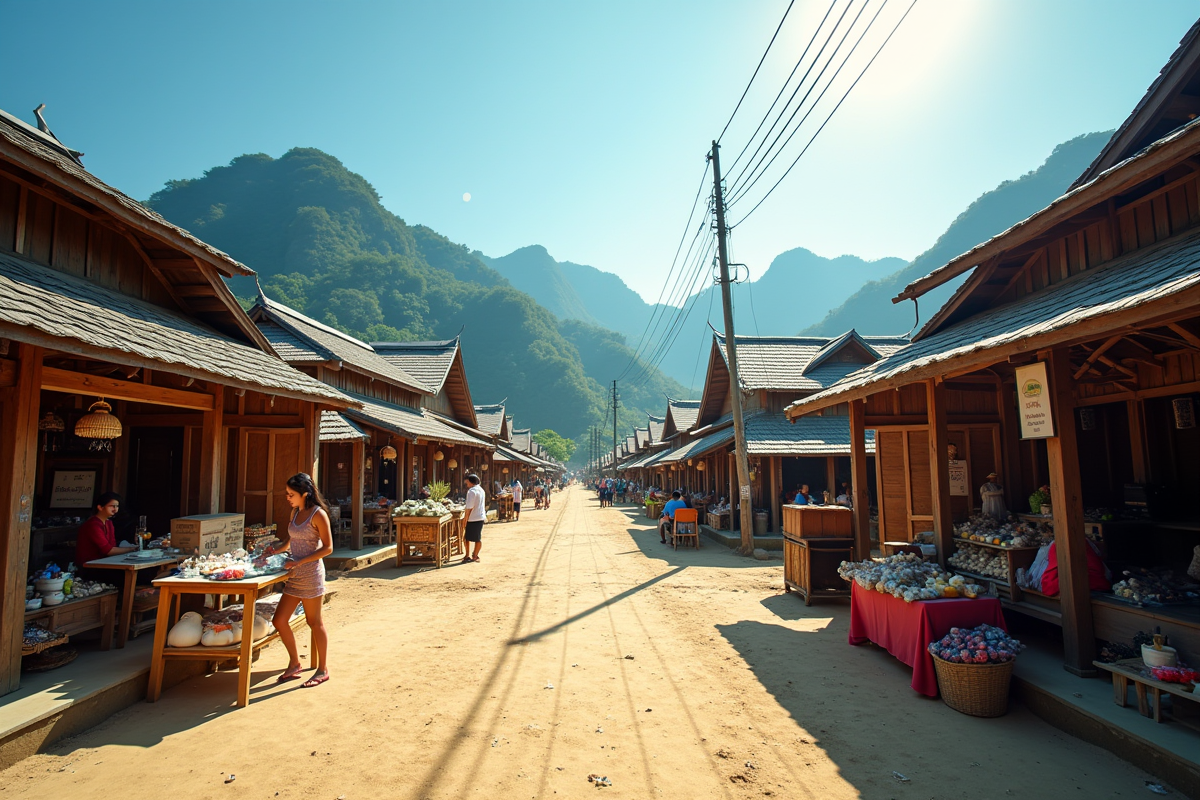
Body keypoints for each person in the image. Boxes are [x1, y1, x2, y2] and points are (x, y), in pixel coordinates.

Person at [268, 473, 334, 688]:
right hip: (295, 575)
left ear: (304, 494)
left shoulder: (318, 514)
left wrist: (300, 561)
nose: (288, 498)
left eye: (291, 494)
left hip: (312, 574)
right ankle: (295, 663)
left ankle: (323, 669)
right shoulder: (295, 511)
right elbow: (292, 538)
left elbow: (328, 548)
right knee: (279, 621)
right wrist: (276, 550)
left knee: (314, 622)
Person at [76, 492, 136, 568]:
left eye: (117, 506)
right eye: (112, 506)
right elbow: (108, 551)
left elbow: (112, 545)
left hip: (105, 563)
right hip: (90, 566)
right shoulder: (93, 525)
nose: (115, 509)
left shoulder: (108, 523)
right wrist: (133, 548)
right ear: (100, 507)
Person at [461, 473, 486, 563]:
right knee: (477, 537)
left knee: (466, 538)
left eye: (467, 482)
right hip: (480, 517)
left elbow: (469, 507)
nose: (466, 484)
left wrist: (465, 518)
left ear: (470, 482)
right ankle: (475, 555)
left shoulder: (471, 491)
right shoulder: (481, 490)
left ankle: (468, 555)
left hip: (473, 517)